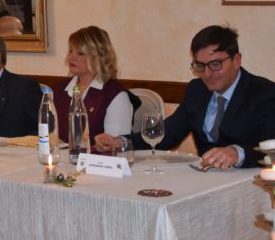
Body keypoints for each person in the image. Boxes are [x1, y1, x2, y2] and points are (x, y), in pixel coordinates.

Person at [95, 25, 275, 169]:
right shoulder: (197, 89)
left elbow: (272, 148)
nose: (207, 74)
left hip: (249, 182)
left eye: (215, 64)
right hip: (204, 178)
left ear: (236, 60)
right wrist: (122, 141)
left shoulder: (264, 93)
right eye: (200, 66)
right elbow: (169, 133)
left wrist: (238, 153)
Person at [53, 26, 134, 146]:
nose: (71, 57)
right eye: (70, 51)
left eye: (80, 53)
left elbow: (113, 148)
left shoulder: (115, 95)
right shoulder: (60, 89)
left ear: (98, 57)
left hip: (96, 158)